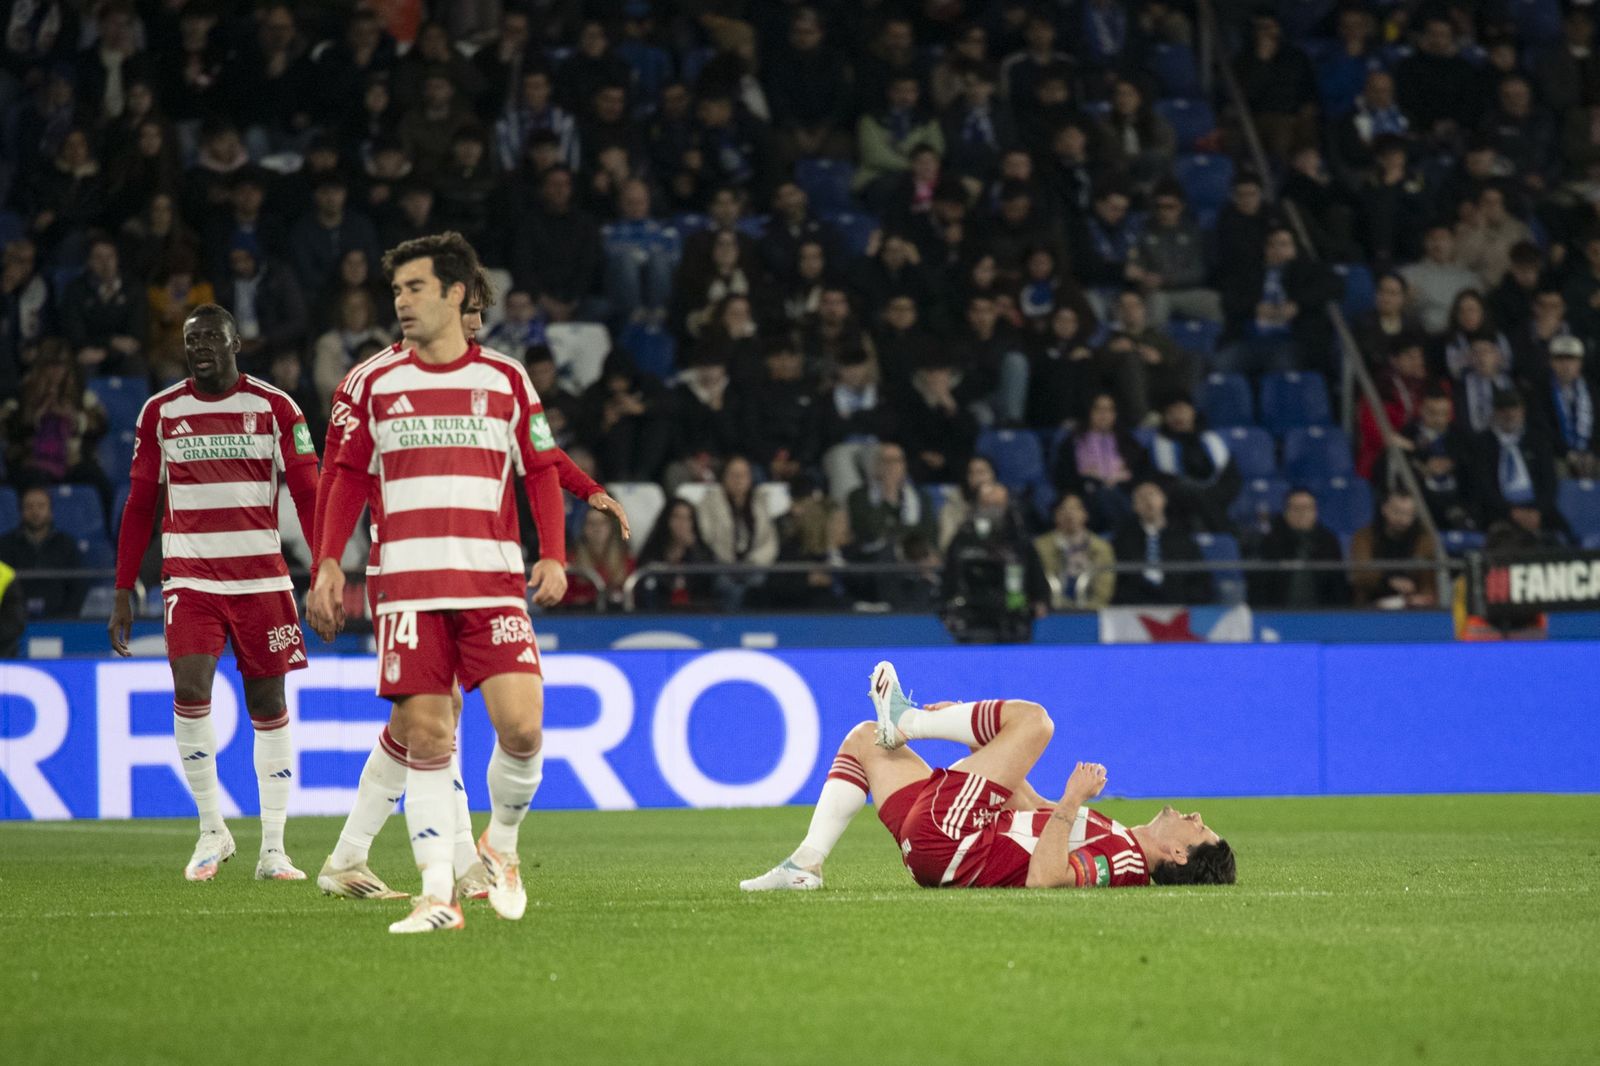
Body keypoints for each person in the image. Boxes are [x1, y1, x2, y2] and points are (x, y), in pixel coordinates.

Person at [307, 236, 626, 933]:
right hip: (407, 580)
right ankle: (439, 887)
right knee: (429, 729)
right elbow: (342, 476)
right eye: (399, 291)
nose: (403, 301)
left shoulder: (506, 379)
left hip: (488, 581)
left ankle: (439, 852)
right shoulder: (368, 384)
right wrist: (327, 561)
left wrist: (561, 538)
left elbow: (538, 460)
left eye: (415, 288)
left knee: (516, 726)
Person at [107, 304, 319, 883]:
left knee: (267, 706)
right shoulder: (160, 412)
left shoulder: (276, 408)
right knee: (190, 684)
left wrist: (326, 569)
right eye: (190, 339)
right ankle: (210, 829)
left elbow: (308, 492)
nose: (199, 347)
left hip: (263, 580)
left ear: (235, 344)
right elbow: (140, 505)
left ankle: (273, 849)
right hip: (191, 578)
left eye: (211, 338)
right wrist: (124, 587)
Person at [740, 660, 1235, 892]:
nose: (1195, 816)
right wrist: (979, 739)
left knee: (1035, 721)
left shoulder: (1125, 863)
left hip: (954, 839)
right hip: (945, 846)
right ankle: (806, 866)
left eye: (1200, 829)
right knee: (867, 738)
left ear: (1177, 854)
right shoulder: (1119, 836)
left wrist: (1070, 800)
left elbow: (1046, 879)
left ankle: (909, 721)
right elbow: (1024, 804)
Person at [1110, 480, 1212, 606]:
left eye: (1152, 495)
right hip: (1135, 607)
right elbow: (1117, 580)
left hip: (1178, 605)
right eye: (1141, 498)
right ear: (1134, 506)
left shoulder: (1182, 538)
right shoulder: (1123, 540)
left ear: (1163, 499)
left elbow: (1199, 577)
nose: (1148, 502)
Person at [1248, 489, 1350, 608]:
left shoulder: (1328, 541)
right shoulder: (1270, 542)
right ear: (1286, 512)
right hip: (1278, 614)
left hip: (1322, 615)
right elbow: (1260, 587)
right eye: (1296, 508)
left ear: (1315, 512)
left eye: (1307, 508)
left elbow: (1338, 585)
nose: (1302, 513)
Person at [0, 486, 86, 617]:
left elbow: (78, 586)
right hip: (14, 622)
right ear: (21, 511)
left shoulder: (66, 544)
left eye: (41, 506)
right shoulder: (5, 544)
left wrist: (66, 618)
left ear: (50, 511)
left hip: (60, 621)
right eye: (29, 506)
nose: (35, 512)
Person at [1349, 492, 1440, 608]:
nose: (1403, 519)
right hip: (1371, 605)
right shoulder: (1364, 536)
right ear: (1384, 509)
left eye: (1409, 514)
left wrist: (1424, 597)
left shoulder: (1423, 540)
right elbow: (1361, 574)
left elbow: (1428, 581)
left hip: (1413, 606)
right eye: (1397, 512)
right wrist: (1388, 581)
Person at [1034, 493, 1116, 609]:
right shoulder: (1039, 546)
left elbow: (1104, 589)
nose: (1069, 514)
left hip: (1092, 612)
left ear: (1085, 514)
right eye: (1063, 509)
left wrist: (1088, 609)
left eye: (1075, 508)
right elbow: (1038, 584)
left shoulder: (1102, 548)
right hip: (1052, 610)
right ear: (1055, 515)